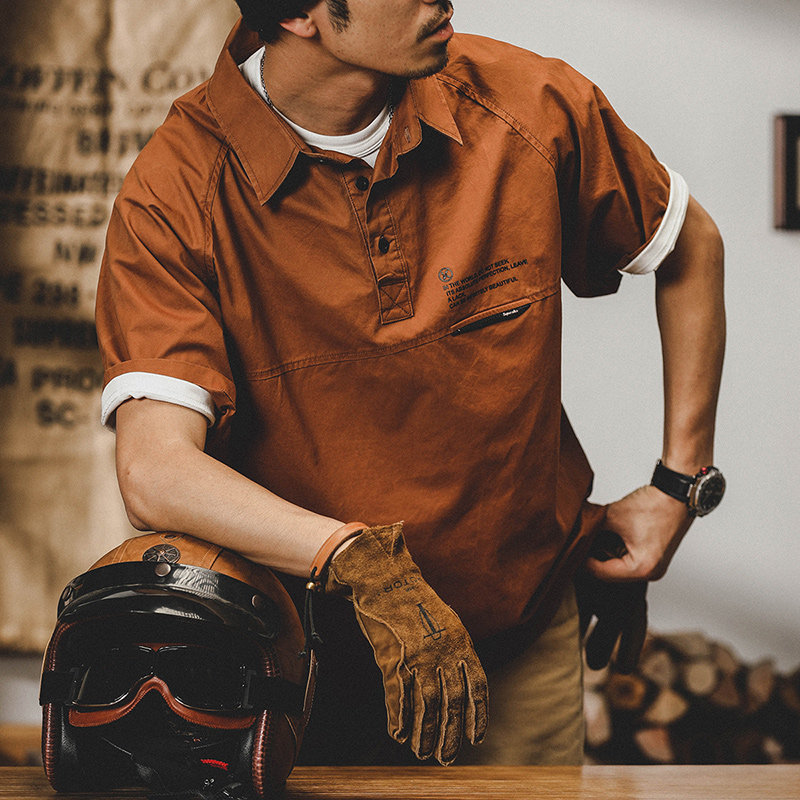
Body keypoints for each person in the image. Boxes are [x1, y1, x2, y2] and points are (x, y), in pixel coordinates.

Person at [95, 0, 726, 768]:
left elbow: (689, 245)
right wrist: (356, 559)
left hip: (518, 641)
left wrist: (680, 483)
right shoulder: (174, 189)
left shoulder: (533, 106)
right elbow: (155, 470)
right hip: (292, 671)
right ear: (301, 15)